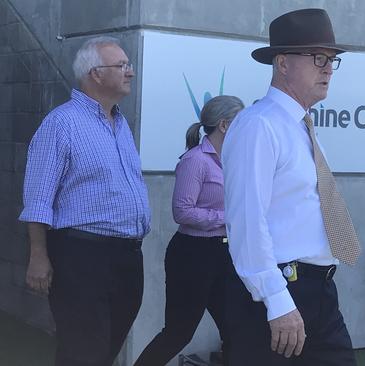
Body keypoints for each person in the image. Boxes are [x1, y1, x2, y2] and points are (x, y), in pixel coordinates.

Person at [221, 8, 361, 366]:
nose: (328, 68)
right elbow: (247, 221)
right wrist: (277, 299)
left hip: (320, 291)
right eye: (318, 58)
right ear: (282, 64)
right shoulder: (258, 126)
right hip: (280, 291)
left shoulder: (301, 128)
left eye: (331, 59)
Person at [19, 36, 150, 366]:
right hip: (82, 256)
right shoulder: (61, 123)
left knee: (103, 351)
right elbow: (38, 196)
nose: (130, 72)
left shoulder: (120, 124)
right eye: (122, 65)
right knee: (84, 352)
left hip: (127, 256)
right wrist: (38, 256)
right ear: (96, 73)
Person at [134, 96, 244, 365]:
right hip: (193, 255)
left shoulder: (234, 159)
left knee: (237, 330)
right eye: (242, 121)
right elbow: (182, 212)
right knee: (179, 333)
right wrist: (226, 217)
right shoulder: (195, 161)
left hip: (224, 253)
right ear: (225, 125)